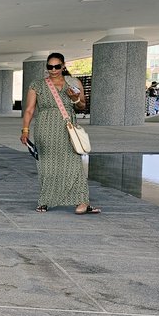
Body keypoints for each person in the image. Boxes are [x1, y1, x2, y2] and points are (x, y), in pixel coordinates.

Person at [20, 53, 99, 214]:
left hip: (67, 128)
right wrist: (25, 130)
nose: (53, 70)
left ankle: (82, 201)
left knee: (74, 164)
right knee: (47, 165)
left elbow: (82, 106)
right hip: (45, 128)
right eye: (50, 67)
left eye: (57, 66)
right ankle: (45, 201)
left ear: (63, 66)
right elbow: (29, 110)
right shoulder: (37, 85)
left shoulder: (73, 83)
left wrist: (75, 98)